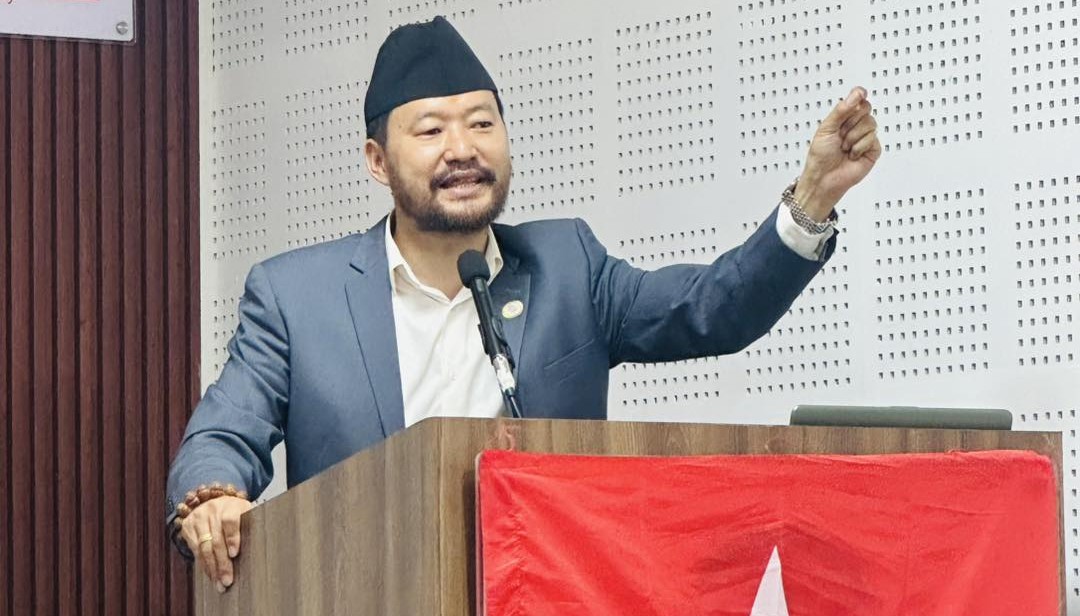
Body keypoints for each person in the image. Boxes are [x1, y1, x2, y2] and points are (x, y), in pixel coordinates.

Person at [167, 16, 881, 593]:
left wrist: (812, 200)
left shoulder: (569, 266)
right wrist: (213, 498)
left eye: (482, 124)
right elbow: (223, 432)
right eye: (431, 130)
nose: (462, 149)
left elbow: (713, 308)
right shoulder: (297, 297)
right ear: (377, 161)